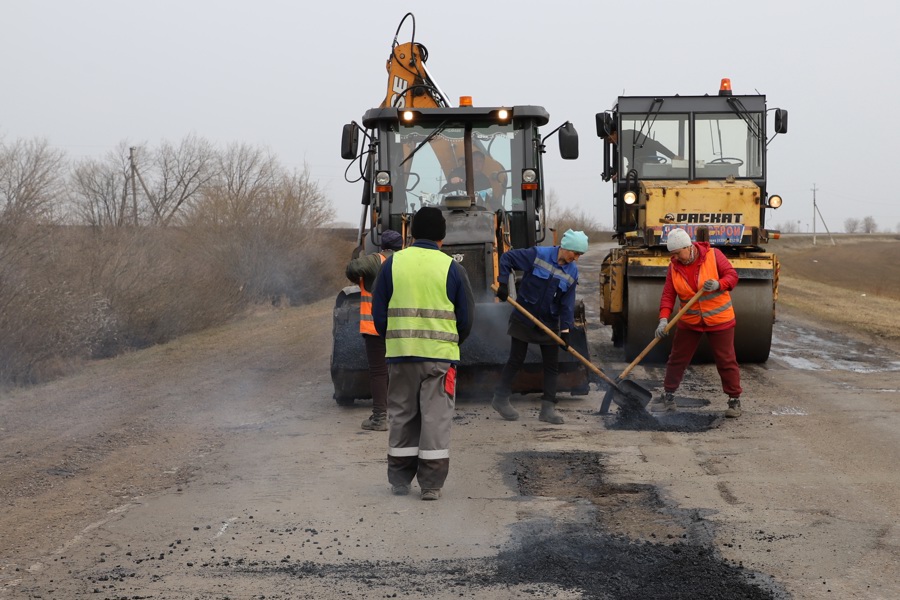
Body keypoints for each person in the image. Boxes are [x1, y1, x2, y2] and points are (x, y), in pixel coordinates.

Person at [371, 206, 475, 501]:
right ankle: (431, 485)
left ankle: (400, 481)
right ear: (442, 236)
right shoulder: (452, 268)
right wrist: (450, 342)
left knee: (402, 414)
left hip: (401, 355)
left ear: (412, 233)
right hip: (439, 358)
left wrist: (394, 339)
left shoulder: (392, 264)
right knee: (435, 418)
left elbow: (379, 315)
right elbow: (466, 318)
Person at [491, 229, 588, 425]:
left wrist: (566, 330)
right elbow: (507, 258)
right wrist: (502, 283)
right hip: (524, 317)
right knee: (516, 359)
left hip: (549, 322)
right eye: (575, 253)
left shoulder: (572, 271)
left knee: (552, 365)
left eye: (579, 255)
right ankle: (500, 398)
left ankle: (548, 409)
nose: (576, 258)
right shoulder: (538, 255)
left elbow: (567, 304)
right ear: (566, 247)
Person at [649, 227, 743, 418]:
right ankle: (668, 397)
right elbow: (668, 295)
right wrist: (663, 320)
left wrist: (719, 284)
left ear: (688, 247)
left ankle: (734, 401)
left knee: (726, 359)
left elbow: (732, 276)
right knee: (677, 359)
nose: (675, 258)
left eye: (677, 253)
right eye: (672, 255)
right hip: (690, 320)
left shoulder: (714, 256)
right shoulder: (674, 267)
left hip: (719, 319)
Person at [345, 229, 404, 431]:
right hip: (403, 327)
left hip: (374, 327)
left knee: (379, 372)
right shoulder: (407, 261)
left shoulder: (374, 260)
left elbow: (353, 268)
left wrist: (357, 277)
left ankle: (379, 418)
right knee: (405, 369)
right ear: (401, 245)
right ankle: (408, 416)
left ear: (382, 245)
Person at [601, 124, 678, 178]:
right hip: (637, 169)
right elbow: (629, 160)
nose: (610, 142)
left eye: (610, 139)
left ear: (615, 133)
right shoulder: (618, 144)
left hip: (650, 165)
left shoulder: (631, 135)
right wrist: (619, 174)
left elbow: (654, 144)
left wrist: (672, 156)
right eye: (608, 141)